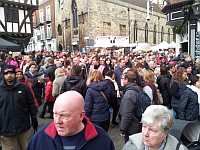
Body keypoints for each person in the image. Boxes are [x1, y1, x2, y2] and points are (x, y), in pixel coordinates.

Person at [27, 91, 115, 150]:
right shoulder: (40, 138)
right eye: (55, 114)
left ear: (81, 116)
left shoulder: (101, 138)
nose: (57, 121)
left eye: (64, 115)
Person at [0, 65, 38, 150]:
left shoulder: (24, 87)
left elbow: (31, 103)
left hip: (23, 126)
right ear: (3, 75)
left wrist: (34, 118)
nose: (9, 75)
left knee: (26, 147)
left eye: (11, 73)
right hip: (5, 129)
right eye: (6, 73)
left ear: (15, 74)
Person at [123, 105, 187, 150]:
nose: (145, 134)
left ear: (165, 133)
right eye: (144, 126)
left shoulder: (179, 148)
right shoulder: (131, 145)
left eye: (151, 130)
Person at [119, 70, 142, 143]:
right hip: (137, 123)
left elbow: (127, 113)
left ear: (127, 80)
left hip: (132, 126)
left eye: (123, 78)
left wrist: (122, 129)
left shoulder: (129, 94)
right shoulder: (137, 88)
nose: (122, 80)